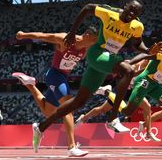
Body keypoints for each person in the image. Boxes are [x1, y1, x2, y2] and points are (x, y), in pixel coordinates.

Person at [31, 1, 162, 152]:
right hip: (97, 54)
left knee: (78, 102)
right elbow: (87, 8)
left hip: (107, 60)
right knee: (128, 71)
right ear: (126, 6)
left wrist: (148, 50)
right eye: (131, 10)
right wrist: (73, 32)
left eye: (136, 14)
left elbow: (137, 44)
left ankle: (41, 127)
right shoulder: (109, 13)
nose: (131, 14)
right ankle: (113, 118)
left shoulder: (137, 26)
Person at [12, 27, 98, 157]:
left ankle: (30, 85)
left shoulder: (86, 49)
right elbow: (43, 35)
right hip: (55, 75)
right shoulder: (66, 39)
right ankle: (71, 147)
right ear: (86, 35)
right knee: (69, 108)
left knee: (48, 112)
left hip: (63, 77)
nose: (94, 43)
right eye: (93, 40)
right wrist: (23, 35)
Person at [75, 60, 160, 141]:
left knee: (147, 107)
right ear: (145, 60)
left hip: (133, 91)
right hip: (122, 91)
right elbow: (131, 74)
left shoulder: (150, 69)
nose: (149, 63)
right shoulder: (134, 65)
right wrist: (144, 70)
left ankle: (148, 132)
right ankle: (83, 118)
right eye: (148, 61)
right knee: (103, 109)